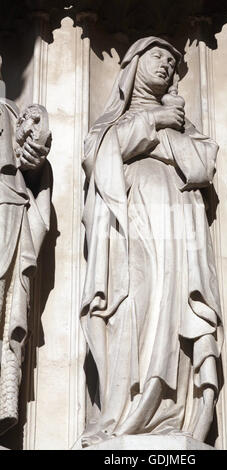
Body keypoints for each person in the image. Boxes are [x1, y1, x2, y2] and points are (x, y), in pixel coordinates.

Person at [80, 36, 223, 447]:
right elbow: (101, 153)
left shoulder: (185, 127)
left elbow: (201, 165)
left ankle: (168, 415)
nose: (166, 65)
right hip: (128, 229)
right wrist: (157, 122)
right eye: (157, 57)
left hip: (178, 229)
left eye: (172, 61)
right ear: (136, 63)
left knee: (173, 306)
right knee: (133, 304)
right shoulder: (113, 120)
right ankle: (123, 412)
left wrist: (165, 136)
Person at [0, 71, 51, 436]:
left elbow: (27, 169)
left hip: (8, 209)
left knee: (7, 315)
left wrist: (34, 155)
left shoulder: (9, 112)